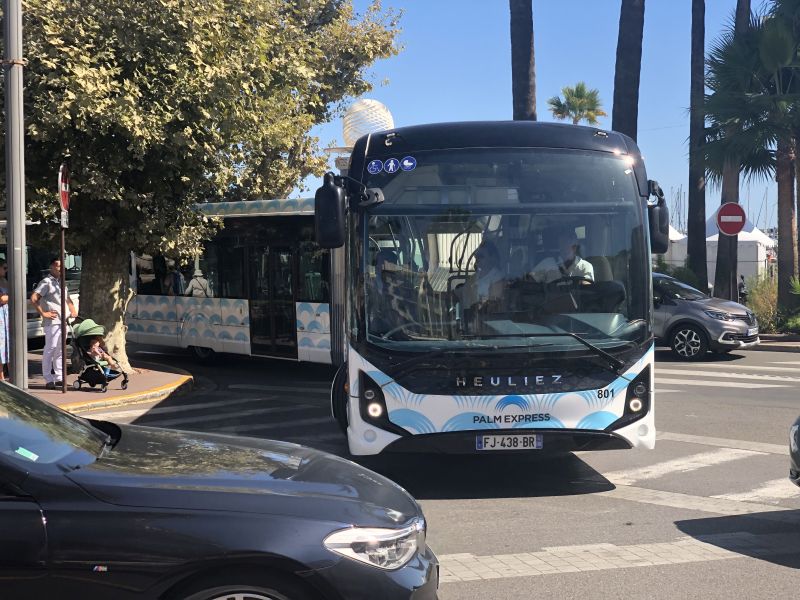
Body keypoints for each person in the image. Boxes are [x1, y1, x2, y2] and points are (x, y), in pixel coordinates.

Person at [31, 258, 77, 389]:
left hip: (63, 320)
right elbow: (34, 298)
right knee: (50, 348)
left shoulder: (61, 282)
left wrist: (72, 309)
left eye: (63, 267)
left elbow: (66, 297)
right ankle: (48, 379)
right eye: (58, 266)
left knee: (60, 349)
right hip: (52, 322)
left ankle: (59, 378)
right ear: (51, 267)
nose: (61, 269)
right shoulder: (46, 282)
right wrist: (43, 313)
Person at [529, 228, 595, 284]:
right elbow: (529, 282)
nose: (566, 245)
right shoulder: (547, 264)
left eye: (570, 241)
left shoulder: (585, 266)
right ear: (559, 244)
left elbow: (587, 290)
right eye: (563, 242)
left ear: (576, 244)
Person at [459, 241, 505, 310]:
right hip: (470, 317)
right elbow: (462, 292)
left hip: (487, 318)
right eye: (477, 256)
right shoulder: (474, 277)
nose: (477, 259)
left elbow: (494, 304)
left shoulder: (497, 277)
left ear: (492, 258)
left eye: (481, 256)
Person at [0, 260, 8, 381]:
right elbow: (2, 299)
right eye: (4, 268)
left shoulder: (5, 281)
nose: (7, 271)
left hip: (6, 316)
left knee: (8, 345)